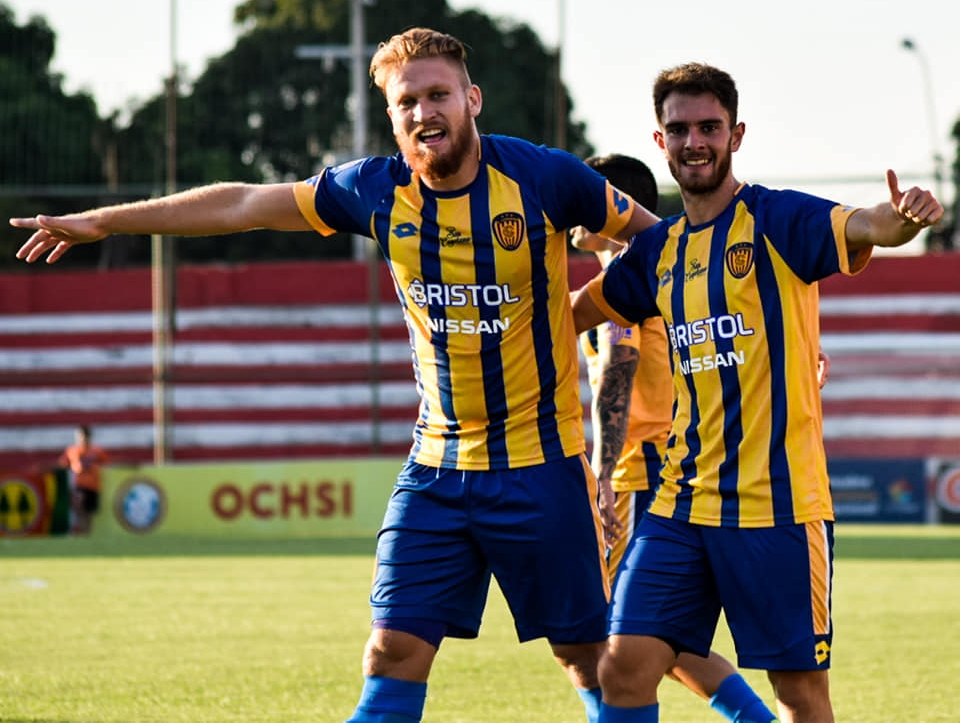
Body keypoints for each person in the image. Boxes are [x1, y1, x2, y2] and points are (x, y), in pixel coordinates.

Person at [11, 27, 662, 723]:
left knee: (588, 658)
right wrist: (105, 222)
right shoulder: (374, 189)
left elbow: (662, 244)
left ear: (471, 99)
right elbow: (243, 203)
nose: (424, 112)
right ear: (391, 115)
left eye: (438, 94)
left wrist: (589, 307)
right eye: (406, 101)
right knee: (392, 650)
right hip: (437, 468)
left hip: (541, 465)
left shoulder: (546, 177)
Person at [571, 63, 943, 723]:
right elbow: (572, 314)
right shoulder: (658, 251)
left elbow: (868, 225)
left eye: (709, 127)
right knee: (624, 666)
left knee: (798, 694)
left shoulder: (778, 218)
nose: (694, 142)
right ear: (660, 141)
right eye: (679, 130)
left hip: (779, 505)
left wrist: (902, 219)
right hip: (682, 501)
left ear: (735, 135)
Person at [573, 153, 777, 723]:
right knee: (648, 634)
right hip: (664, 464)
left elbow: (618, 368)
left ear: (613, 207)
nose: (571, 213)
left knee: (625, 633)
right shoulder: (666, 272)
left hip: (641, 469)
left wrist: (603, 474)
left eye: (584, 200)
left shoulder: (626, 283)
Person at [58, 424, 109, 535]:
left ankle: (87, 535)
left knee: (89, 513)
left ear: (89, 437)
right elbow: (62, 464)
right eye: (79, 436)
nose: (82, 439)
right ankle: (81, 533)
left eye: (84, 436)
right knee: (79, 510)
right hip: (79, 485)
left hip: (93, 486)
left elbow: (108, 464)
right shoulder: (72, 450)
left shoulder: (97, 451)